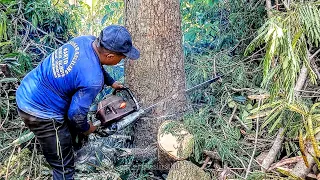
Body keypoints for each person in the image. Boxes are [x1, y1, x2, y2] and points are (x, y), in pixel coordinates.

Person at [15, 25, 140, 179]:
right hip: (39, 113)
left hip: (28, 88)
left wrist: (111, 82)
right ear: (109, 56)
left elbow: (94, 65)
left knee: (70, 134)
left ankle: (71, 148)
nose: (123, 59)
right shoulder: (93, 79)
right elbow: (75, 116)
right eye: (122, 57)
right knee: (63, 167)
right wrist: (88, 128)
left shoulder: (86, 40)